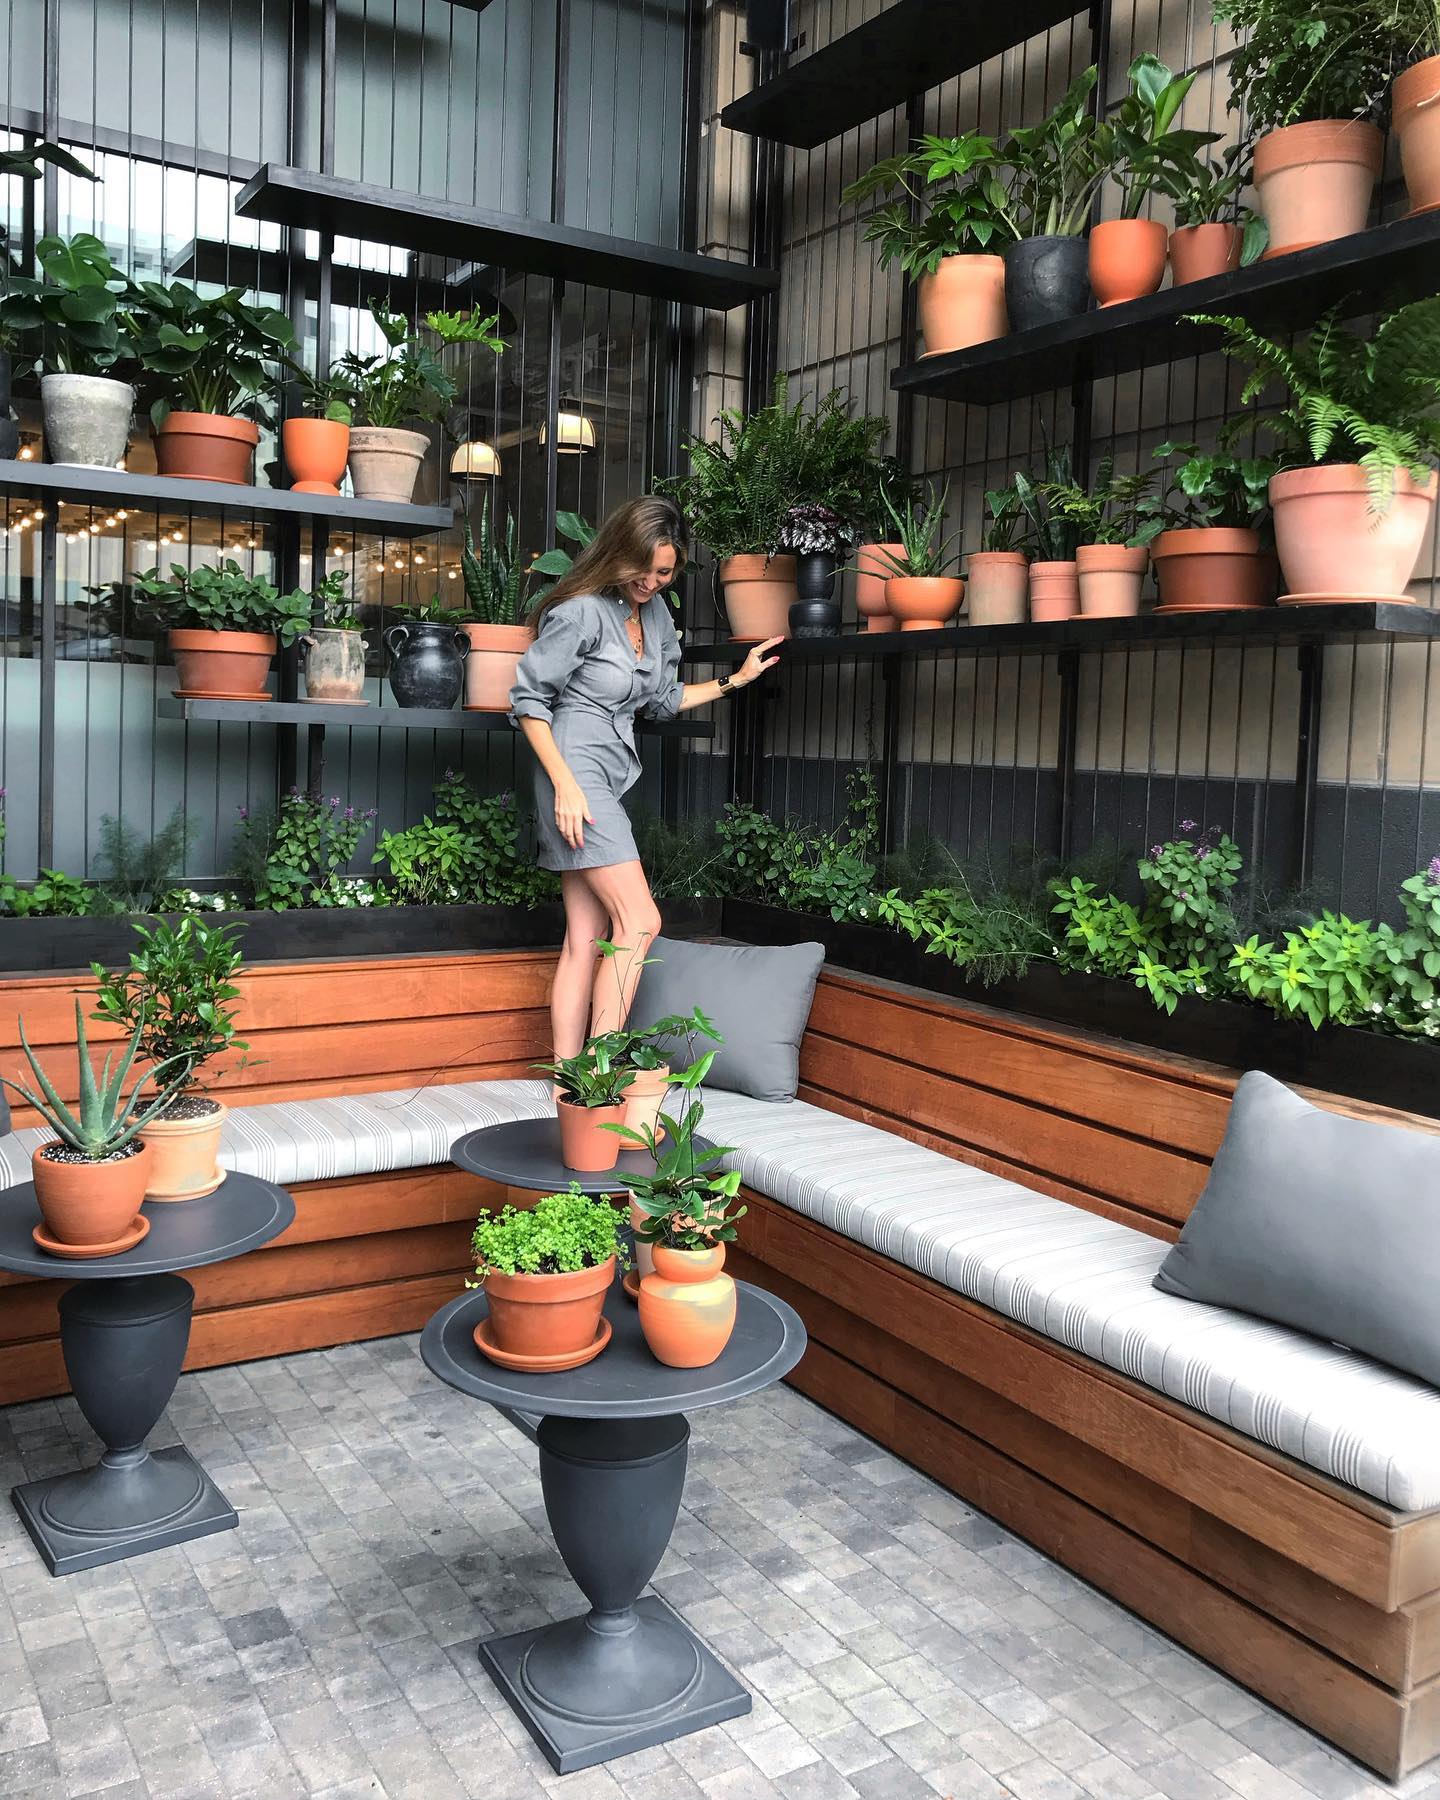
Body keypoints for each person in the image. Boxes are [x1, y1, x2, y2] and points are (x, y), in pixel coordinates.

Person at [510, 494, 780, 1059]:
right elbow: (529, 702)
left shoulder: (655, 616)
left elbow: (660, 700)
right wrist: (564, 784)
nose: (654, 582)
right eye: (646, 569)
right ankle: (602, 1070)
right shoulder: (581, 611)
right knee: (640, 920)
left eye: (666, 572)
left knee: (584, 938)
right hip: (573, 771)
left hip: (606, 775)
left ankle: (568, 1078)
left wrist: (737, 680)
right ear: (619, 554)